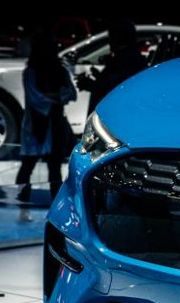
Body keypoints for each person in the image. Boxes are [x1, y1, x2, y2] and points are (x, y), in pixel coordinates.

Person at [15, 30, 76, 202]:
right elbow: (35, 98)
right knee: (29, 164)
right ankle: (23, 195)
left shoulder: (60, 70)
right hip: (36, 123)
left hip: (55, 123)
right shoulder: (31, 71)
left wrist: (51, 96)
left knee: (54, 165)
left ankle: (55, 199)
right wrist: (56, 97)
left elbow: (71, 93)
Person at [77, 18, 148, 114]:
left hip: (114, 113)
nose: (109, 41)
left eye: (111, 36)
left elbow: (115, 89)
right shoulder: (130, 56)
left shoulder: (126, 58)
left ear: (119, 37)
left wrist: (90, 85)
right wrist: (98, 77)